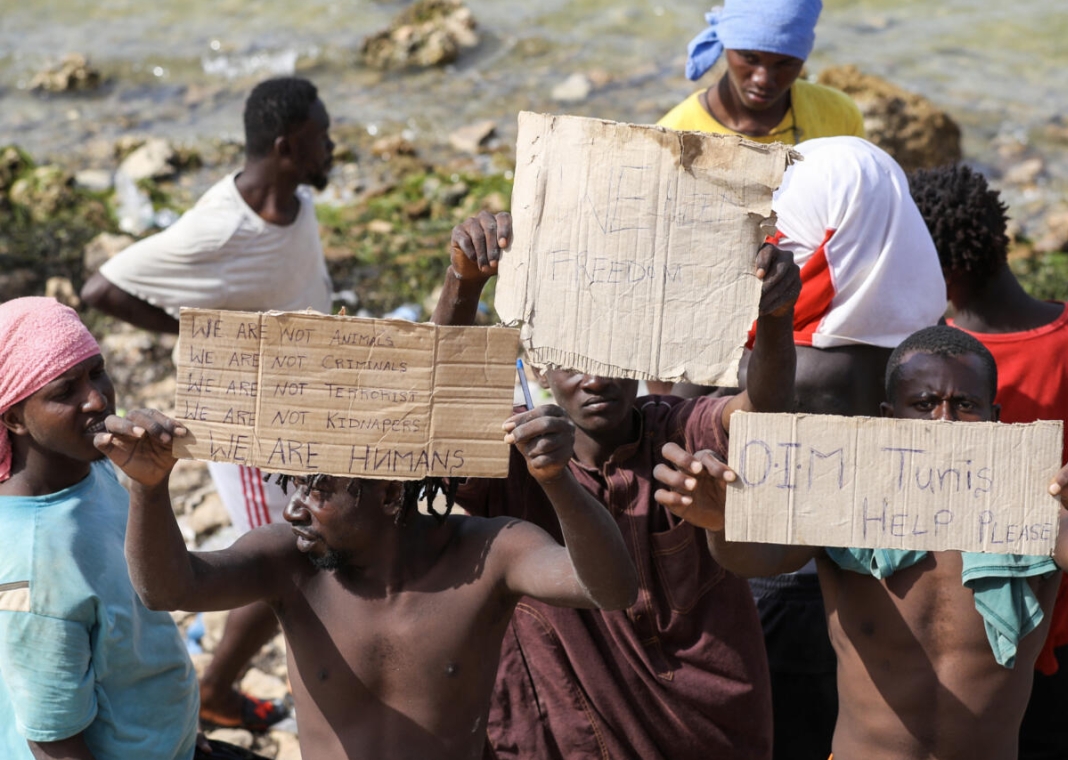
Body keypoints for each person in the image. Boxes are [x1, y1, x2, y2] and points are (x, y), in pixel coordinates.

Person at [654, 324, 1068, 760]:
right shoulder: (846, 504)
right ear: (889, 415)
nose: (944, 422)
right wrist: (720, 522)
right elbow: (753, 560)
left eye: (964, 405)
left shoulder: (1033, 509)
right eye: (925, 404)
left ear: (994, 416)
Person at [430, 210, 801, 759]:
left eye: (610, 355)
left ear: (638, 358)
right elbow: (433, 406)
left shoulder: (677, 430)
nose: (597, 377)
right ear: (538, 366)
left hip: (701, 736)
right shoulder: (515, 455)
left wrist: (774, 313)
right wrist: (463, 282)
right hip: (563, 740)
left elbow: (762, 407)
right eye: (573, 361)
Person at [98, 394, 638, 760]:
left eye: (318, 490)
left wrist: (557, 482)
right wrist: (148, 489)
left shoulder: (488, 553)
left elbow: (609, 588)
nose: (293, 509)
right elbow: (168, 589)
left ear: (389, 495)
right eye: (294, 486)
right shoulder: (290, 562)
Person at [80, 75, 336, 730]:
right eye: (320, 137)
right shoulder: (218, 230)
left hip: (306, 401)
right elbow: (101, 288)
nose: (331, 146)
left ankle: (228, 685)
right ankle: (218, 690)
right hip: (247, 420)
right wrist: (202, 332)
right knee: (286, 551)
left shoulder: (297, 199)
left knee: (315, 545)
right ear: (286, 146)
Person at [908, 165, 1068, 760]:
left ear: (943, 270)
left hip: (968, 645)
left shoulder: (939, 372)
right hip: (1065, 615)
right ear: (1000, 236)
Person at [743, 136, 947, 759]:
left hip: (783, 581)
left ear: (826, 221)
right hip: (884, 581)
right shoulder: (928, 342)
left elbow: (689, 399)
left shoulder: (797, 359)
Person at [0, 297, 199, 760]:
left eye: (96, 372)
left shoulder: (91, 467)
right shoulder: (34, 562)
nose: (97, 398)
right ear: (12, 418)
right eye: (65, 390)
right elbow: (54, 741)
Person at [658, 0, 864, 145]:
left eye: (785, 63)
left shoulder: (840, 117)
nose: (763, 79)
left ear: (803, 58)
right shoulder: (672, 136)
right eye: (749, 58)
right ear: (727, 44)